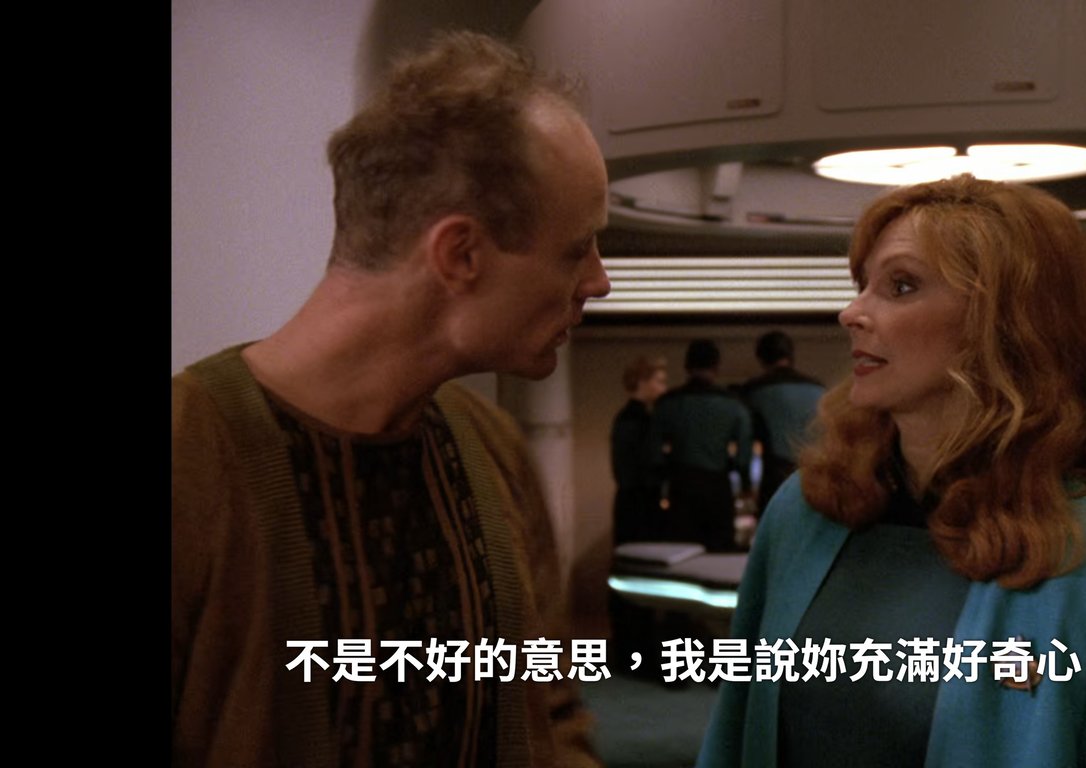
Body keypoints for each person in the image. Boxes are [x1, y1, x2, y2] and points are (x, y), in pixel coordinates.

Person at [172, 31, 610, 767]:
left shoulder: (491, 447)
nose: (599, 281)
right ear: (460, 254)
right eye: (576, 249)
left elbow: (552, 713)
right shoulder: (189, 456)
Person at [698, 174, 1086, 767]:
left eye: (901, 285)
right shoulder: (807, 511)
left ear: (1004, 323)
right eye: (862, 286)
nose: (851, 313)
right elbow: (734, 735)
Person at [650, 339, 753, 552]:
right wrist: (743, 482)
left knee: (681, 552)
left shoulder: (667, 403)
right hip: (717, 486)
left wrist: (663, 479)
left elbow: (653, 453)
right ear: (716, 367)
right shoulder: (733, 405)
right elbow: (744, 454)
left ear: (687, 367)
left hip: (682, 486)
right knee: (719, 551)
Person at [739, 330, 825, 515]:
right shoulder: (818, 389)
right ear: (791, 355)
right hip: (814, 476)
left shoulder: (754, 391)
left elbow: (744, 441)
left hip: (775, 477)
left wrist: (745, 483)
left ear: (761, 359)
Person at [610, 355, 669, 544]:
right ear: (643, 382)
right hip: (639, 503)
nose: (664, 388)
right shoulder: (636, 419)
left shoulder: (631, 417)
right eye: (659, 381)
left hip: (634, 499)